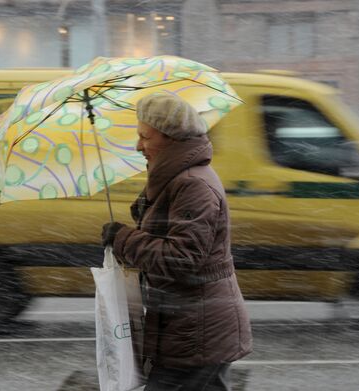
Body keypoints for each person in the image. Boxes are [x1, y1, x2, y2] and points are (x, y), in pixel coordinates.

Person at [101, 93, 253, 391]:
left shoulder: (192, 184)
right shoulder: (177, 179)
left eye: (145, 137)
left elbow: (180, 259)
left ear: (171, 138)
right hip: (189, 326)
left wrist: (123, 238)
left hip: (197, 332)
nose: (138, 146)